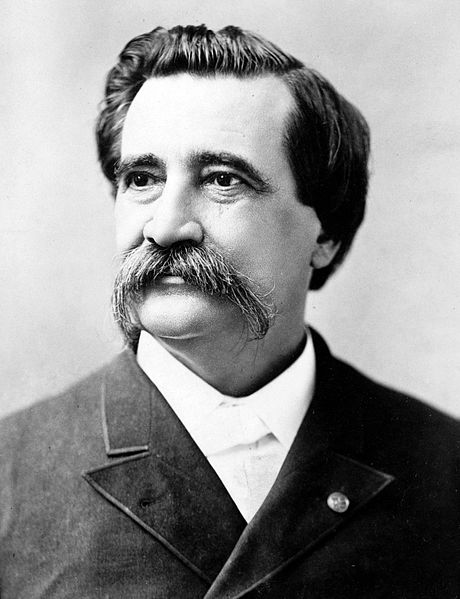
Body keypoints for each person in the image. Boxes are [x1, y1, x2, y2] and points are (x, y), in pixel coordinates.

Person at [0, 24, 458, 599]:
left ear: (326, 234)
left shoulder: (443, 465)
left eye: (222, 180)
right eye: (142, 179)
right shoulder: (9, 473)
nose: (166, 227)